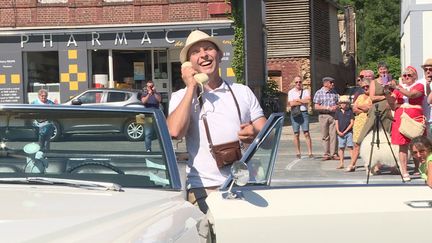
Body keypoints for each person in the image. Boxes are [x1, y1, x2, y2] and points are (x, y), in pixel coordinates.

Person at [167, 30, 267, 214]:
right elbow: (174, 132)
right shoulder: (181, 97)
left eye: (208, 49)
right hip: (203, 188)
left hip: (243, 185)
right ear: (188, 64)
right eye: (195, 52)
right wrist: (191, 87)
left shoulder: (242, 92)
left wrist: (255, 134)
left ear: (219, 55)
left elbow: (269, 136)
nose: (203, 54)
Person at [385, 66, 425, 182]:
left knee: (418, 145)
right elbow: (391, 103)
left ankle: (420, 168)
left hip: (415, 117)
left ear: (415, 77)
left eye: (409, 75)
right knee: (402, 145)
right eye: (404, 75)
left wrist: (397, 87)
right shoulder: (399, 89)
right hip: (401, 117)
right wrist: (387, 91)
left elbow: (412, 95)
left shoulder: (419, 86)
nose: (406, 77)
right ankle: (404, 171)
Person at [357, 63, 393, 143]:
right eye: (381, 69)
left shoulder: (391, 81)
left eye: (384, 69)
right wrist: (385, 97)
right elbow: (372, 97)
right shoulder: (374, 82)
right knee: (368, 129)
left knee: (387, 132)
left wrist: (389, 86)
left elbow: (394, 95)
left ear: (387, 70)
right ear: (378, 71)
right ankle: (360, 145)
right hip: (377, 108)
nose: (383, 71)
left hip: (388, 109)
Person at [346, 78, 372, 172]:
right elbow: (354, 108)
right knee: (356, 144)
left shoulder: (373, 96)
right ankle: (352, 164)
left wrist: (360, 107)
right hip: (358, 122)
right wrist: (362, 108)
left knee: (369, 144)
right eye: (363, 86)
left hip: (368, 122)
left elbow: (369, 108)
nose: (365, 88)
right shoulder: (360, 96)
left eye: (367, 86)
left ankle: (370, 165)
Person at [313, 76, 339, 161]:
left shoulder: (334, 92)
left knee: (334, 135)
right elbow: (316, 106)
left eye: (333, 82)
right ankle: (326, 154)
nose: (333, 84)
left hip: (333, 115)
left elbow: (339, 103)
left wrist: (336, 106)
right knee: (325, 135)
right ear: (325, 83)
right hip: (323, 116)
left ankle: (334, 154)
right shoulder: (319, 93)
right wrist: (328, 108)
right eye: (331, 82)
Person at [287, 76, 313, 159]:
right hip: (295, 113)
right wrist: (302, 101)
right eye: (296, 82)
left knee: (306, 133)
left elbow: (308, 101)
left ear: (302, 83)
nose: (298, 83)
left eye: (299, 82)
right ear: (294, 83)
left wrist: (297, 100)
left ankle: (310, 152)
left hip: (304, 113)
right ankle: (298, 152)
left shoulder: (305, 91)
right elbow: (291, 104)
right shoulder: (291, 92)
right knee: (296, 133)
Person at [141, 80, 161, 152]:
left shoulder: (157, 93)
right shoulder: (144, 93)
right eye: (149, 86)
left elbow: (159, 100)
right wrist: (149, 94)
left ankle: (163, 149)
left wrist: (154, 92)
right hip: (147, 116)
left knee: (160, 133)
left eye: (151, 86)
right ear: (146, 87)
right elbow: (143, 101)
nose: (150, 87)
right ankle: (148, 149)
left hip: (156, 115)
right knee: (148, 133)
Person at [334, 95, 354, 169]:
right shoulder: (338, 112)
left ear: (348, 104)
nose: (343, 104)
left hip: (348, 132)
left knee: (350, 147)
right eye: (342, 103)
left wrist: (345, 131)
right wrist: (338, 131)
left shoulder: (350, 111)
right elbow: (336, 122)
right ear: (339, 104)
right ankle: (341, 163)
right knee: (341, 147)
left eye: (345, 103)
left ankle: (352, 163)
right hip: (340, 133)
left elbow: (352, 123)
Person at [420, 58, 432, 137]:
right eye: (425, 69)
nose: (428, 71)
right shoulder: (419, 83)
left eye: (430, 69)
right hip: (423, 121)